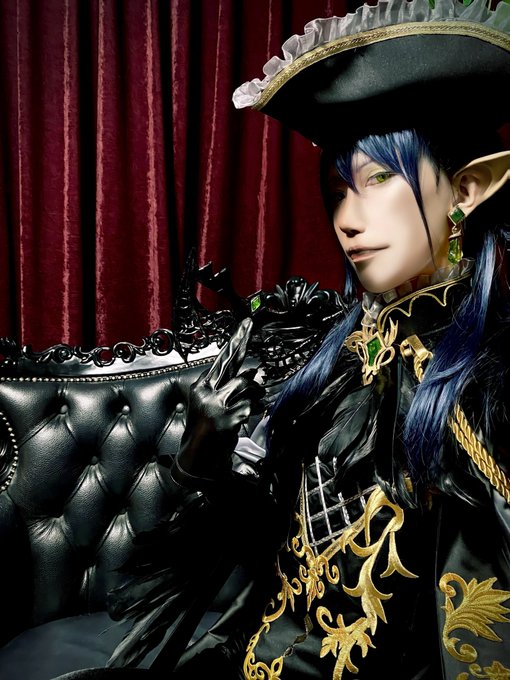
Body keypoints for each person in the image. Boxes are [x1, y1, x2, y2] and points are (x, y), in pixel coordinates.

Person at [106, 0, 510, 678]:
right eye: (339, 190)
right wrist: (203, 456)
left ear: (468, 188)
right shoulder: (339, 354)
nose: (348, 220)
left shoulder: (484, 387)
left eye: (379, 180)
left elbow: (479, 640)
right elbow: (257, 552)